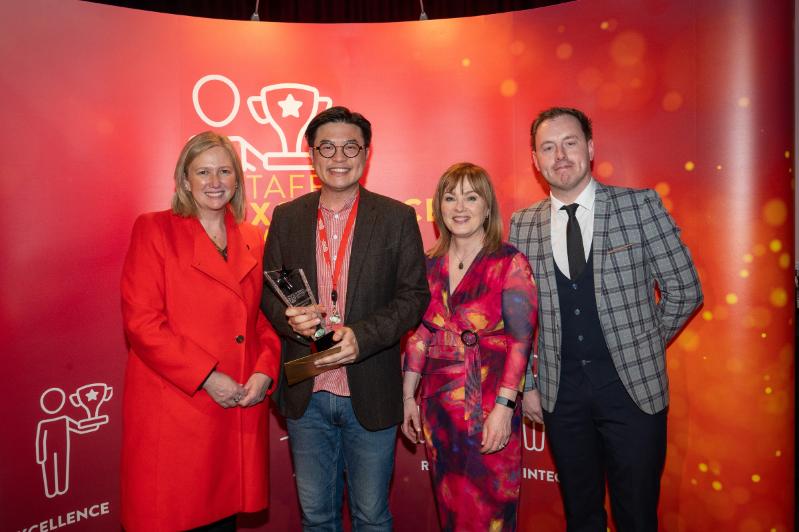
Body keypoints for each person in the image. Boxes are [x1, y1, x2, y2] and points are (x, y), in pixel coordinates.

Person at [509, 107, 703, 531]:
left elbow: (685, 289)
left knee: (636, 516)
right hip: (563, 397)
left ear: (591, 148)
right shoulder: (522, 225)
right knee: (582, 515)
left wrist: (642, 344)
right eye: (548, 147)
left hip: (634, 392)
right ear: (536, 161)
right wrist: (532, 385)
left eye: (570, 142)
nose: (560, 155)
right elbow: (521, 319)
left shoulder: (639, 206)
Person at [261, 106, 430, 531]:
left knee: (371, 517)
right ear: (312, 156)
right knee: (316, 517)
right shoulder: (287, 217)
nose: (339, 156)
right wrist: (291, 321)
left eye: (350, 146)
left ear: (366, 153)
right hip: (308, 391)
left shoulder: (395, 217)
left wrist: (363, 335)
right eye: (327, 147)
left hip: (370, 390)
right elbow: (270, 291)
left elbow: (413, 296)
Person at [120, 132, 280, 531]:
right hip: (178, 407)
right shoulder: (154, 229)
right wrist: (207, 376)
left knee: (221, 518)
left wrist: (265, 369)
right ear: (184, 180)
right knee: (172, 517)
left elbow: (261, 318)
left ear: (237, 180)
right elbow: (142, 322)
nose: (214, 181)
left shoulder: (252, 238)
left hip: (236, 405)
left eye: (224, 171)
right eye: (203, 171)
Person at [401, 162, 537, 531]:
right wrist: (408, 397)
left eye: (470, 197)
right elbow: (421, 334)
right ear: (438, 208)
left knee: (490, 509)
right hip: (439, 408)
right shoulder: (428, 265)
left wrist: (505, 409)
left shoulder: (509, 262)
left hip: (491, 401)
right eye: (450, 197)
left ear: (487, 207)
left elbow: (521, 342)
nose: (459, 207)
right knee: (452, 510)